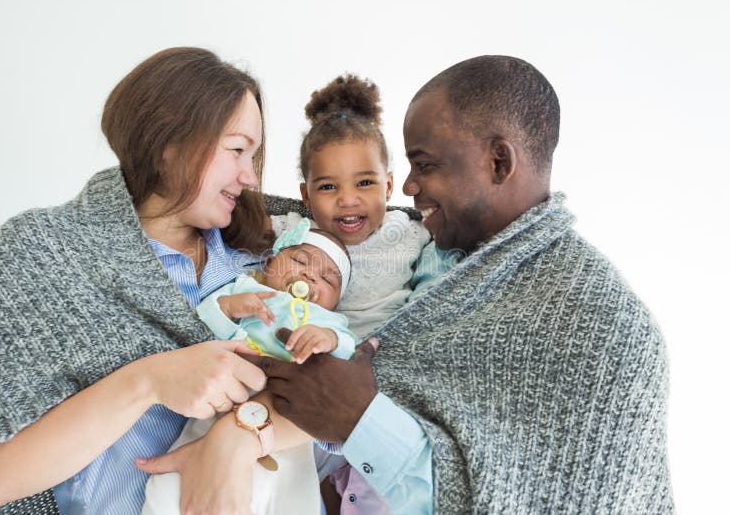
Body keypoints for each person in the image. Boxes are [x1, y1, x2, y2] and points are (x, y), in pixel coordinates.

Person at [248, 55, 674, 513]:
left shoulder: (604, 324)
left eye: (425, 165)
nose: (408, 188)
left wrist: (359, 419)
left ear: (498, 162)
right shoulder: (432, 249)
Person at [0, 47, 292, 514]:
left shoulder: (282, 253)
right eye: (237, 149)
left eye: (255, 155)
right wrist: (150, 380)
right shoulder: (43, 251)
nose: (249, 176)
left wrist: (237, 436)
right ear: (170, 143)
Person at [143, 219, 356, 515]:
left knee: (291, 494)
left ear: (335, 302)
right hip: (221, 401)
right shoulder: (243, 289)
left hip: (286, 420)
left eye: (328, 279)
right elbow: (199, 331)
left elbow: (348, 348)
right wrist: (228, 309)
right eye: (299, 260)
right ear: (269, 263)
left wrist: (328, 339)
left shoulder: (327, 321)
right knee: (171, 488)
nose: (310, 274)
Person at [269, 74, 430, 338]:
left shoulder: (410, 230)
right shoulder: (299, 232)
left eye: (365, 182)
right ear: (306, 195)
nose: (347, 199)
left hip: (387, 350)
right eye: (328, 187)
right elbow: (244, 220)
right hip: (309, 353)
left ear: (388, 186)